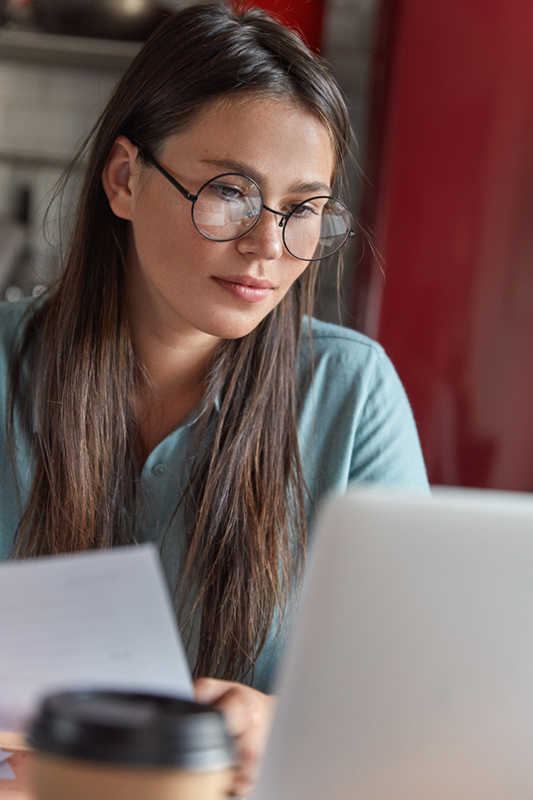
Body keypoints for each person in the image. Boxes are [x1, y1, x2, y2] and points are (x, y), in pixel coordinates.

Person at [0, 3, 428, 794]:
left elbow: (414, 718)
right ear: (125, 179)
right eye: (230, 191)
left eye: (302, 210)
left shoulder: (352, 396)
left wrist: (285, 730)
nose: (268, 246)